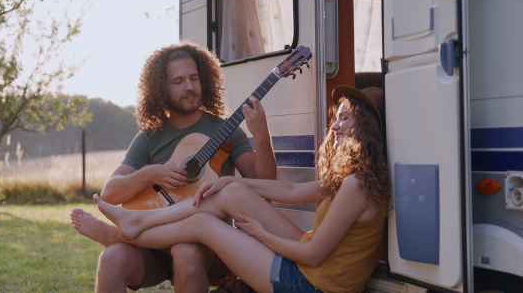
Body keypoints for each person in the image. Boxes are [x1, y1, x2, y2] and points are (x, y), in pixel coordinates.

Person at [73, 85, 391, 293]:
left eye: (345, 119)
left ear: (365, 128)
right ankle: (135, 224)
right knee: (229, 193)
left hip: (310, 283)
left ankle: (127, 231)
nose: (334, 126)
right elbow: (293, 192)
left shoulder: (355, 184)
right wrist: (234, 180)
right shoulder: (357, 177)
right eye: (336, 118)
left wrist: (260, 234)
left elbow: (313, 254)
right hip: (316, 271)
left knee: (202, 222)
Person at [71, 42, 277, 293]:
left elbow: (266, 187)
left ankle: (120, 233)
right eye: (178, 81)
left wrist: (262, 137)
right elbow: (110, 193)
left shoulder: (227, 131)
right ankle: (125, 235)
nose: (189, 87)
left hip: (205, 248)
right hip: (154, 250)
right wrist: (150, 173)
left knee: (185, 251)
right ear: (162, 89)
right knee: (111, 259)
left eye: (194, 78)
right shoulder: (149, 138)